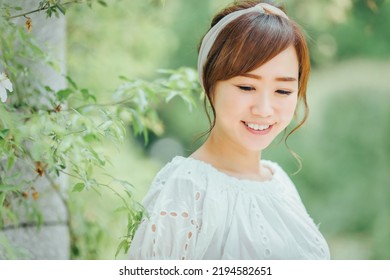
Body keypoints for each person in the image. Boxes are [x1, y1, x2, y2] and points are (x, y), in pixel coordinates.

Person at [129, 0, 330, 260]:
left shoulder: (279, 182)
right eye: (246, 87)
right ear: (209, 83)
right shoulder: (185, 188)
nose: (264, 109)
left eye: (283, 90)